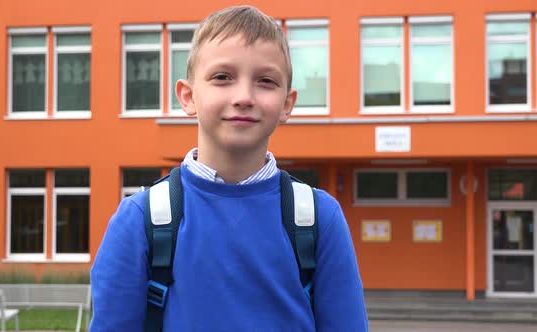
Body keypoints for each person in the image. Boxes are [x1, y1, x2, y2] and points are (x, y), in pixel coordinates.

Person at [90, 5, 368, 331]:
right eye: (222, 77)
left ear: (286, 105)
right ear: (188, 96)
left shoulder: (319, 218)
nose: (244, 96)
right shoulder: (140, 219)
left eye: (265, 81)